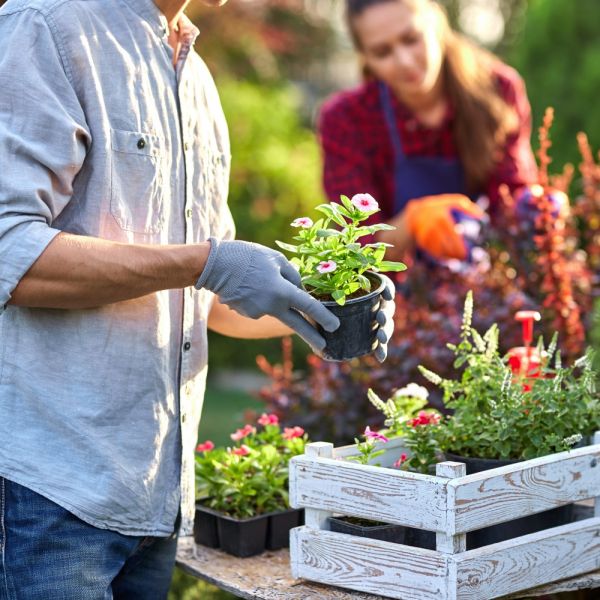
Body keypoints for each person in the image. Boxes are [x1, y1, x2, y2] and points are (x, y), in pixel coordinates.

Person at [0, 0, 396, 596]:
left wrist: (322, 309)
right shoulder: (46, 29)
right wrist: (204, 262)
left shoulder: (196, 79)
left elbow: (206, 300)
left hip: (155, 498)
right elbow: (12, 251)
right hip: (50, 495)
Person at [318, 0, 540, 263]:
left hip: (485, 274)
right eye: (382, 52)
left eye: (412, 39)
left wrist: (536, 209)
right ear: (365, 57)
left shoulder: (497, 90)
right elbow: (356, 248)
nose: (404, 60)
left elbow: (510, 201)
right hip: (399, 291)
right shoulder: (346, 119)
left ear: (437, 23)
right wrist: (411, 223)